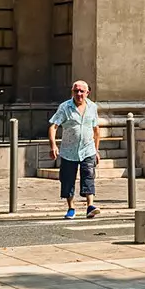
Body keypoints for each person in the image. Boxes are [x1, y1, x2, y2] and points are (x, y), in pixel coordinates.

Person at [48, 79, 101, 220]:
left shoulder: (93, 107)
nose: (78, 94)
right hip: (68, 150)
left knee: (89, 176)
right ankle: (71, 208)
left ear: (87, 93)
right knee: (67, 179)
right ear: (72, 92)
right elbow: (53, 126)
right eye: (76, 91)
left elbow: (96, 130)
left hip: (87, 149)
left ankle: (90, 206)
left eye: (81, 91)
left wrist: (96, 150)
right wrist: (53, 145)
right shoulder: (65, 107)